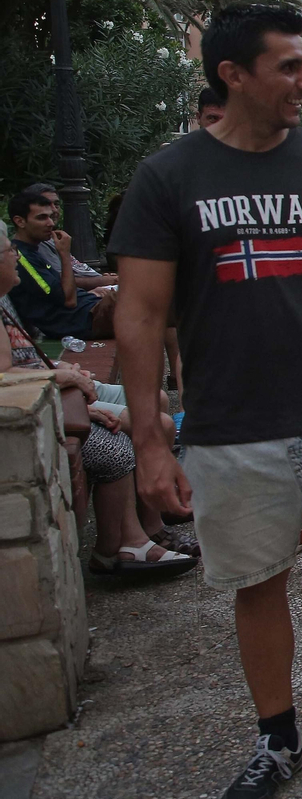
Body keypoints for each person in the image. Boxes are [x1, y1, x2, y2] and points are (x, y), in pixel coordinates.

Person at [111, 1, 302, 799]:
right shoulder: (168, 178)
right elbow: (140, 313)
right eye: (290, 66)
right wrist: (150, 439)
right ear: (233, 75)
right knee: (257, 582)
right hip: (230, 425)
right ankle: (278, 737)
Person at [1, 225, 195, 577]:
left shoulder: (7, 296)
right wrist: (68, 380)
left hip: (62, 380)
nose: (13, 254)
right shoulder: (31, 262)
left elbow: (23, 360)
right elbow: (62, 302)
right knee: (145, 428)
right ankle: (133, 538)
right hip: (59, 380)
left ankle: (152, 515)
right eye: (6, 252)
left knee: (156, 400)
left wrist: (63, 369)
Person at [8, 191, 116, 340]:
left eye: (50, 217)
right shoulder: (21, 258)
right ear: (20, 221)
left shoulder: (33, 251)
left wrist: (92, 293)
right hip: (89, 318)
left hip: (94, 308)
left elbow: (61, 290)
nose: (51, 223)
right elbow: (69, 300)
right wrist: (64, 254)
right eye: (42, 218)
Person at [21, 183, 118, 291]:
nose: (54, 210)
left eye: (56, 204)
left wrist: (103, 278)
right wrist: (104, 281)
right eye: (46, 205)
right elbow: (61, 282)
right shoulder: (38, 244)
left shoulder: (53, 238)